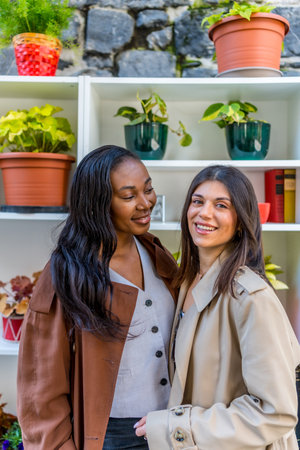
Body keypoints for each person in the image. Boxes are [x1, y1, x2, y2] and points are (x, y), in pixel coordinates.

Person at [17, 145, 178, 449]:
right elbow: (41, 388)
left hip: (170, 427)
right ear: (97, 203)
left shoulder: (156, 253)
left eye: (149, 189)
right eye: (129, 196)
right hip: (112, 436)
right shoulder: (65, 274)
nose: (146, 203)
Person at [135, 165, 300, 449]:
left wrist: (174, 426)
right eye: (197, 201)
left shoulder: (251, 297)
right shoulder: (186, 281)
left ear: (240, 221)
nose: (204, 213)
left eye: (221, 205)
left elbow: (276, 413)